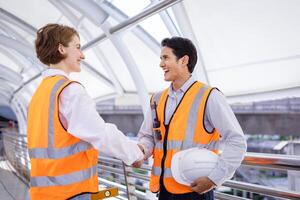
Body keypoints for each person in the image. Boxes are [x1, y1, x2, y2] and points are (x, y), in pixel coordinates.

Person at [27, 23, 144, 200]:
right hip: (71, 193)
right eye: (77, 47)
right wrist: (135, 153)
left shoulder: (40, 93)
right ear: (61, 49)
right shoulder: (69, 91)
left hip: (42, 193)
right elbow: (101, 133)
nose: (82, 55)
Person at [136, 37, 247, 200]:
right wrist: (142, 150)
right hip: (163, 191)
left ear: (184, 60)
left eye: (165, 58)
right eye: (161, 59)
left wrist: (213, 179)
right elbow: (148, 136)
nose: (161, 64)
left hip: (195, 192)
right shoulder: (157, 99)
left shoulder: (209, 96)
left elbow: (237, 141)